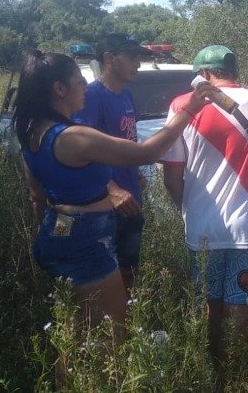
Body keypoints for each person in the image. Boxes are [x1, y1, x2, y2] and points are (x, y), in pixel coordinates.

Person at [14, 50, 213, 343]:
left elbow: (37, 197)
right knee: (110, 334)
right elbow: (147, 152)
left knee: (77, 330)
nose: (85, 87)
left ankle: (68, 382)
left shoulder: (32, 135)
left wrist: (58, 239)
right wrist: (190, 110)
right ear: (60, 89)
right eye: (79, 81)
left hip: (54, 233)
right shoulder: (72, 137)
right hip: (86, 241)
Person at [160, 45, 248, 389]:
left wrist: (186, 211)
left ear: (203, 75)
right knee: (240, 302)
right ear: (233, 70)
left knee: (210, 303)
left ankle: (213, 373)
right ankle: (233, 378)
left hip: (201, 227)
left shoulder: (180, 106)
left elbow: (171, 175)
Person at [72, 33, 153, 296]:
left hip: (131, 199)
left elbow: (124, 140)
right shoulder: (92, 96)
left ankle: (128, 328)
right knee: (106, 275)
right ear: (109, 58)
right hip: (105, 204)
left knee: (130, 269)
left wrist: (136, 172)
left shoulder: (126, 95)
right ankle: (107, 330)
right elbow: (82, 151)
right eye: (131, 57)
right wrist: (112, 188)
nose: (137, 64)